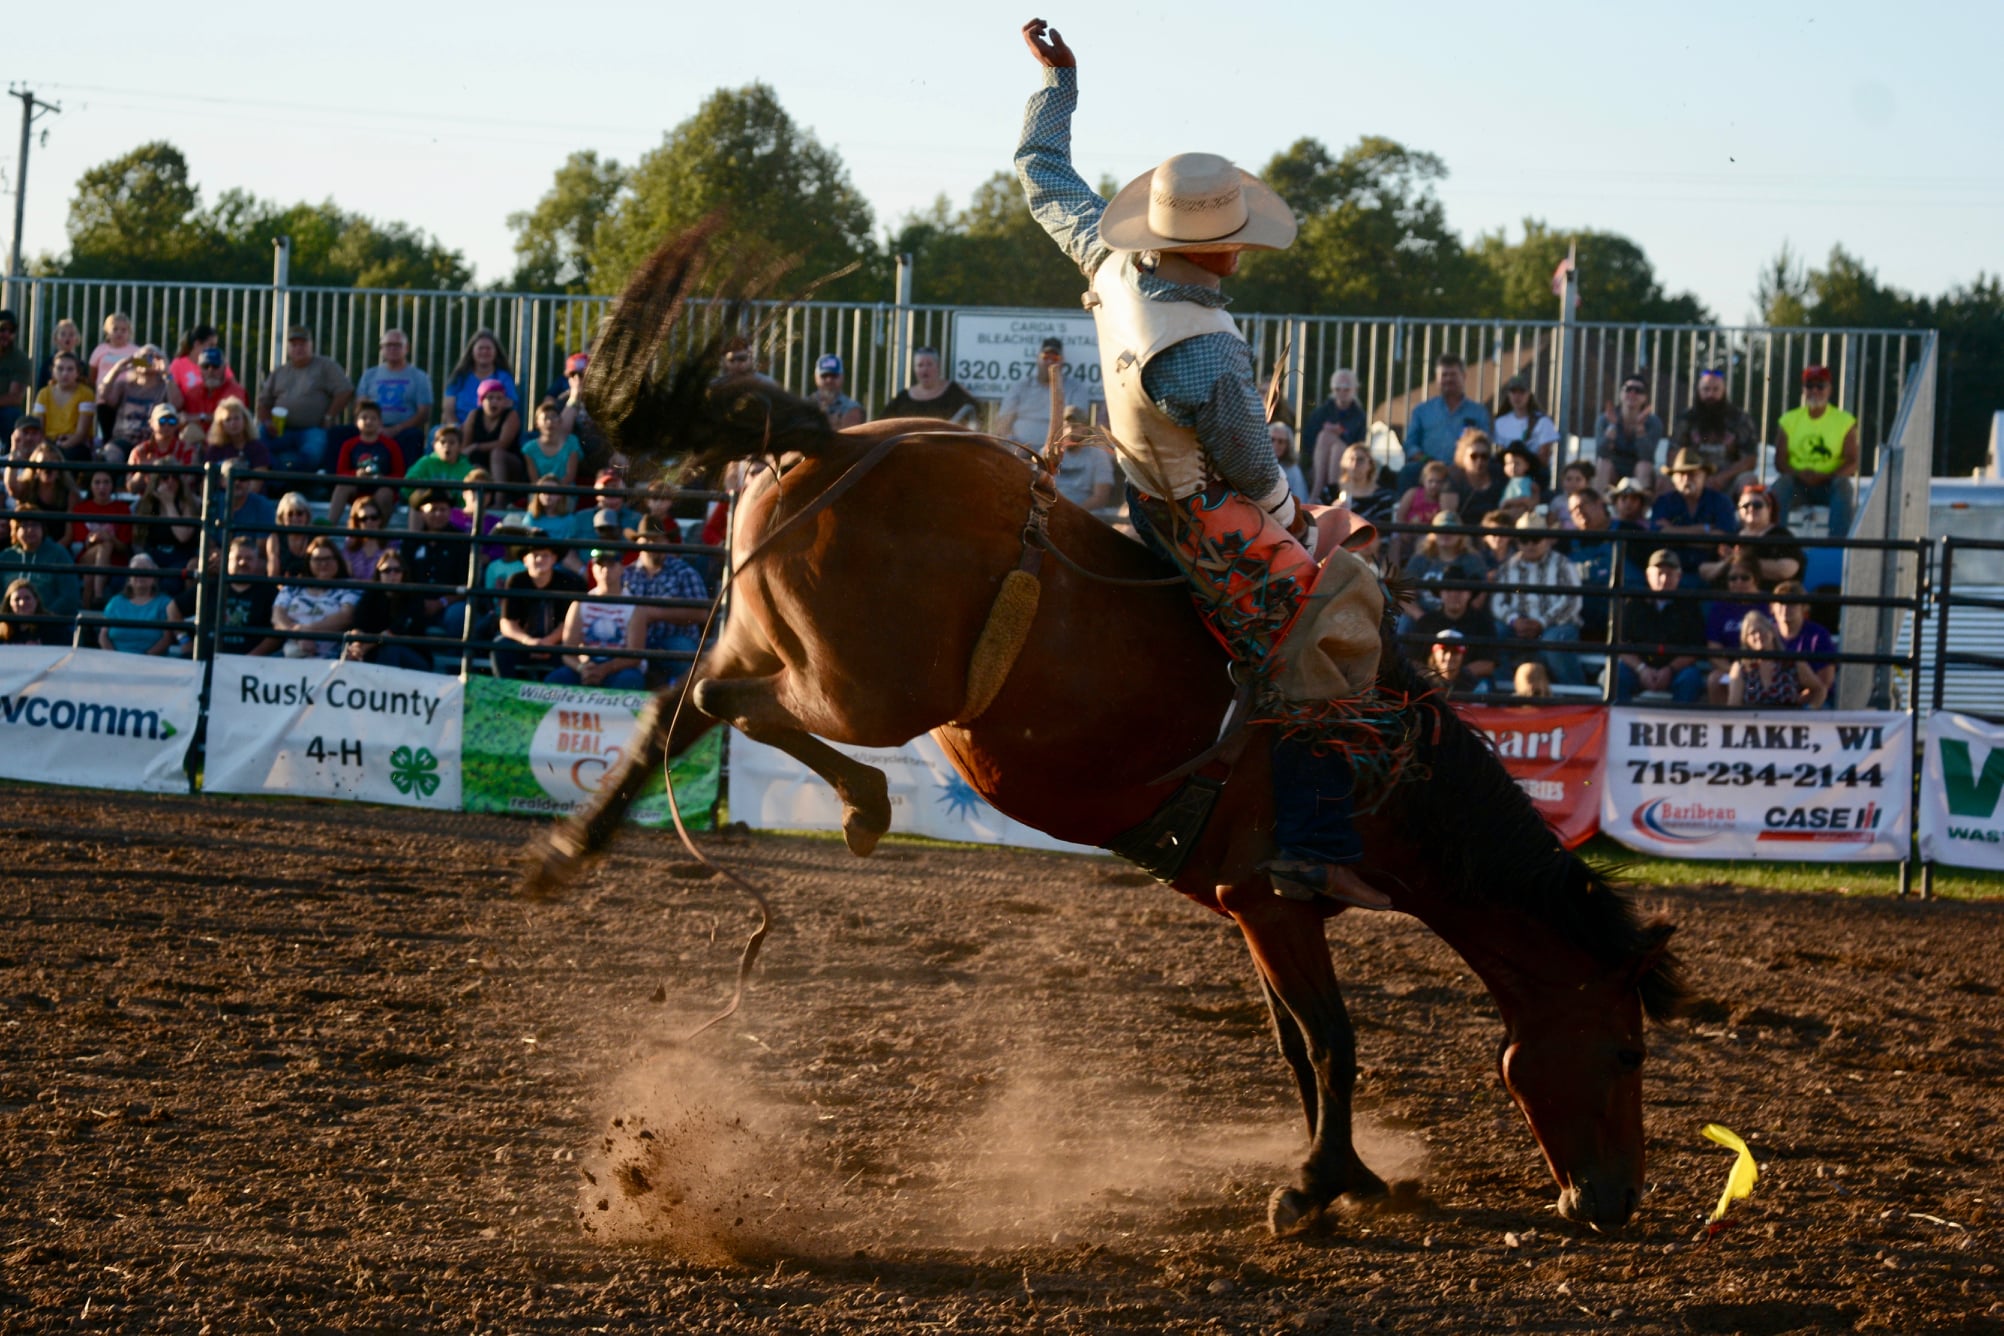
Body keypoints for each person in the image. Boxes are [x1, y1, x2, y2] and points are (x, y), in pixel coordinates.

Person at [1017, 18, 1387, 910]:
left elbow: (1043, 175)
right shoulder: (1209, 353)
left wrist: (1058, 86)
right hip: (1199, 516)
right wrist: (1306, 526)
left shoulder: (1109, 260)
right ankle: (1311, 846)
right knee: (1331, 640)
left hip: (1143, 492)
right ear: (1222, 246)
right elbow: (1258, 480)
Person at [1490, 511, 1584, 688]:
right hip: (1517, 627)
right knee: (1495, 633)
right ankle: (1501, 691)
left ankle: (1577, 694)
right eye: (1524, 539)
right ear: (1517, 542)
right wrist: (1514, 620)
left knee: (1555, 641)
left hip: (1556, 625)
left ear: (1547, 539)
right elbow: (1497, 602)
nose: (1530, 544)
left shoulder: (1563, 564)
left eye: (1536, 538)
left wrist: (1541, 622)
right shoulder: (1508, 567)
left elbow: (1572, 601)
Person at [1772, 365, 1859, 538]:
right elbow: (1780, 461)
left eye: (1820, 386)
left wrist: (1826, 476)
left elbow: (1852, 462)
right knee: (1781, 485)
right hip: (1798, 485)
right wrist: (1801, 474)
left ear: (1829, 389)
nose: (1815, 391)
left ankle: (1836, 548)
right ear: (1803, 390)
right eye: (1809, 386)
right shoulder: (1789, 419)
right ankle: (1773, 542)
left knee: (1843, 486)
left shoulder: (1844, 421)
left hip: (1829, 485)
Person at [624, 514, 710, 688]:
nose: (652, 544)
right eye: (647, 539)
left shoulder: (684, 572)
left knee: (683, 653)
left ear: (666, 542)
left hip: (673, 639)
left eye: (657, 539)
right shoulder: (626, 574)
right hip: (636, 642)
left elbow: (702, 614)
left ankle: (685, 702)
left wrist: (654, 614)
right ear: (638, 542)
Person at [546, 549, 649, 690]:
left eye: (611, 565)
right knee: (554, 681)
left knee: (629, 680)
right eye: (600, 565)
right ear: (593, 568)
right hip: (587, 665)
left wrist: (604, 669)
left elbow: (634, 656)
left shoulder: (634, 607)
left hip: (619, 668)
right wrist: (583, 668)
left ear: (621, 568)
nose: (605, 570)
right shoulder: (580, 604)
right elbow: (568, 650)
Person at [257, 327, 353, 473]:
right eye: (294, 345)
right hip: (281, 430)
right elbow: (263, 402)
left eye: (302, 344)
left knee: (313, 453)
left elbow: (346, 390)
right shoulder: (279, 372)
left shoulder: (325, 365)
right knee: (258, 440)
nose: (298, 349)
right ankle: (276, 477)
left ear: (311, 345)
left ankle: (291, 478)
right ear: (288, 348)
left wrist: (329, 416)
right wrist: (268, 422)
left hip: (314, 429)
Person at [1616, 549, 1707, 702]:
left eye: (1670, 574)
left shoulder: (1690, 605)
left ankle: (1681, 724)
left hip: (1676, 670)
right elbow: (1621, 644)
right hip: (1638, 669)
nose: (1664, 579)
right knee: (1616, 676)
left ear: (1679, 576)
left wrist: (1670, 669)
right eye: (1659, 573)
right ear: (1648, 575)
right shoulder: (1633, 603)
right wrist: (1642, 669)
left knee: (1690, 679)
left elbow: (1695, 648)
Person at [1399, 353, 1492, 492]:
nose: (1448, 379)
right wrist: (1429, 461)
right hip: (1428, 467)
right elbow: (1410, 444)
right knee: (1408, 471)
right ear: (1437, 379)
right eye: (1444, 375)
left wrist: (1461, 464)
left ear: (1464, 376)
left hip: (1464, 470)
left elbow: (1485, 443)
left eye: (1453, 375)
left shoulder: (1478, 412)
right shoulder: (1422, 410)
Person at [496, 533, 586, 678]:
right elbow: (507, 622)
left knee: (572, 654)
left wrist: (548, 642)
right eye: (535, 555)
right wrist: (528, 641)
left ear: (554, 559)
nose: (540, 559)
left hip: (557, 644)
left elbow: (569, 624)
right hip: (524, 642)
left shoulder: (568, 583)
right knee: (500, 647)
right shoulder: (516, 581)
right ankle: (506, 692)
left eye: (545, 555)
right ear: (525, 560)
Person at [1650, 447, 1738, 586]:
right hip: (1671, 576)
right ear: (1673, 478)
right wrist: (1705, 530)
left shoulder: (1721, 501)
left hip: (1712, 575)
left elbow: (1724, 537)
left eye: (1692, 474)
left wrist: (1675, 532)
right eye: (1680, 474)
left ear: (1704, 475)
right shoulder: (1664, 502)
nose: (1686, 479)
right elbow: (1658, 535)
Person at [1671, 367, 1757, 493]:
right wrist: (1696, 478)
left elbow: (1750, 460)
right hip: (1690, 479)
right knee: (1663, 481)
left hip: (1728, 480)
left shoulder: (1740, 419)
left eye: (1716, 389)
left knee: (1749, 481)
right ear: (1698, 391)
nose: (1710, 394)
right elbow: (1673, 454)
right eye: (1706, 389)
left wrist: (1721, 478)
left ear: (1724, 391)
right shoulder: (1686, 419)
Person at [272, 538, 361, 659]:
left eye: (328, 559)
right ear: (309, 562)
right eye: (317, 559)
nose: (323, 564)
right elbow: (277, 616)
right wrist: (298, 637)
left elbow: (346, 616)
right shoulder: (293, 586)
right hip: (291, 652)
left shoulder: (349, 587)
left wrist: (307, 631)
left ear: (338, 560)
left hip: (331, 657)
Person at [346, 551, 434, 672]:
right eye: (387, 571)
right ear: (379, 574)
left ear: (404, 573)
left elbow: (395, 631)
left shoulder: (413, 596)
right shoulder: (370, 595)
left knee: (391, 648)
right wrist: (357, 645)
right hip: (374, 652)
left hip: (413, 657)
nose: (392, 574)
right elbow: (358, 624)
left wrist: (365, 647)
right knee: (350, 651)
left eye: (397, 570)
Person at [399, 488, 471, 633]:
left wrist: (441, 602)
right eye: (432, 509)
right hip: (416, 603)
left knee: (460, 613)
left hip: (450, 605)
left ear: (450, 512)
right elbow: (404, 578)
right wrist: (419, 603)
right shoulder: (411, 543)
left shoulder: (462, 541)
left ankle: (457, 654)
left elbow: (468, 584)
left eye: (443, 509)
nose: (438, 514)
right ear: (422, 512)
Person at [995, 336, 1088, 448]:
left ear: (1062, 361)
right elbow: (1003, 422)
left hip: (1059, 451)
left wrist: (1057, 447)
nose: (1049, 362)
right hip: (1020, 450)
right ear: (1037, 359)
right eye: (1045, 357)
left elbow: (1077, 428)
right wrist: (1013, 445)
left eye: (1055, 359)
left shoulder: (1075, 388)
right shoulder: (1020, 387)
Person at [1702, 482, 1802, 586]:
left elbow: (1785, 570)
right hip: (1730, 599)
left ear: (1769, 509)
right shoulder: (1732, 536)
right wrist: (1732, 560)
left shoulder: (1781, 535)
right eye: (1745, 506)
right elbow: (1704, 570)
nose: (1751, 509)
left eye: (1757, 505)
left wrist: (1738, 559)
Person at [354, 328, 434, 459]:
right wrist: (375, 428)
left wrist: (396, 429)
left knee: (414, 436)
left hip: (404, 430)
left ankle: (408, 478)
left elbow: (423, 414)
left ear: (406, 348)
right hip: (370, 427)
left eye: (397, 345)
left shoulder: (420, 377)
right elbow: (361, 407)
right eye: (388, 345)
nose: (392, 349)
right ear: (381, 349)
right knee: (338, 433)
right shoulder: (369, 375)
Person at [1408, 581, 1500, 688]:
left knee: (1485, 685)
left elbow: (1489, 664)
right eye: (1449, 590)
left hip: (1472, 684)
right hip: (1430, 684)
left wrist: (1460, 674)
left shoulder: (1484, 622)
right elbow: (1412, 660)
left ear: (1469, 594)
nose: (1454, 595)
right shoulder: (1426, 622)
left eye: (1460, 590)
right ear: (1440, 593)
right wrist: (1434, 676)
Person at [1726, 610, 1826, 709]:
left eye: (1762, 629)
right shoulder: (1740, 668)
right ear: (1746, 639)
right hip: (1753, 722)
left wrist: (1809, 712)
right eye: (1752, 632)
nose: (1758, 635)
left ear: (1772, 632)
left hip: (1788, 722)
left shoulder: (1792, 662)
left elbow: (1819, 689)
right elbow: (1734, 705)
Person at [1702, 558, 1768, 704]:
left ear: (1756, 579)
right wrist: (1735, 672)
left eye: (1745, 578)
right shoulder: (1720, 607)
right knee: (1714, 680)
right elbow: (1714, 649)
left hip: (1765, 667)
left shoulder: (1769, 604)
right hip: (1730, 668)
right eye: (1733, 578)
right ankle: (1722, 725)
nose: (1738, 582)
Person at [98, 346, 183, 458]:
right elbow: (103, 395)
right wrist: (116, 370)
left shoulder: (165, 387)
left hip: (153, 442)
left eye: (152, 357)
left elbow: (177, 404)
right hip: (124, 439)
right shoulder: (124, 386)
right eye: (143, 358)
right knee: (111, 454)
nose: (147, 361)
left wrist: (166, 372)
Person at [329, 401, 406, 517]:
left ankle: (379, 532)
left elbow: (400, 474)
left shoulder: (391, 445)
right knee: (341, 487)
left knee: (385, 494)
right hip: (357, 485)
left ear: (380, 422)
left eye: (373, 418)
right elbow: (341, 472)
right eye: (364, 418)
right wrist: (356, 474)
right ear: (356, 422)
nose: (369, 421)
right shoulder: (349, 445)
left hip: (382, 486)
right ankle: (328, 528)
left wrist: (382, 478)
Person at [72, 468, 133, 610]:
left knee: (89, 576)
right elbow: (80, 543)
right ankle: (98, 596)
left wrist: (110, 537)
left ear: (112, 486)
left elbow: (124, 547)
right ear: (91, 486)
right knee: (104, 546)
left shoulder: (123, 509)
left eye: (106, 482)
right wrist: (95, 539)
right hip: (86, 557)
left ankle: (86, 613)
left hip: (114, 561)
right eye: (97, 482)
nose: (102, 487)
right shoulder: (81, 509)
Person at [1403, 511, 1486, 614]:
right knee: (1404, 622)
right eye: (1441, 530)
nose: (1446, 534)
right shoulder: (1419, 559)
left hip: (1461, 616)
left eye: (1452, 530)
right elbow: (1405, 595)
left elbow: (1479, 596)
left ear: (1460, 535)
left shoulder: (1473, 560)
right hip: (1424, 615)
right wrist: (1422, 618)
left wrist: (1460, 617)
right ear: (1433, 533)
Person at [99, 553, 181, 655]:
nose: (141, 574)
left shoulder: (165, 603)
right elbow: (103, 636)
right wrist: (114, 657)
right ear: (129, 578)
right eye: (136, 570)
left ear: (154, 577)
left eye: (145, 570)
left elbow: (167, 638)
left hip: (152, 663)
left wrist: (143, 659)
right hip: (115, 661)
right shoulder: (115, 602)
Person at [0, 516, 81, 619]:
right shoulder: (5, 557)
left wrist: (43, 616)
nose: (30, 530)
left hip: (50, 624)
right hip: (9, 624)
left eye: (35, 525)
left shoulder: (59, 554)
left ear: (43, 529)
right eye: (24, 525)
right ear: (15, 530)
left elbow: (69, 596)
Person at [131, 471, 200, 590]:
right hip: (153, 556)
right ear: (156, 481)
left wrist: (169, 503)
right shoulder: (145, 505)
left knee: (169, 583)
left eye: (175, 477)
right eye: (165, 477)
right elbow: (137, 540)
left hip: (180, 558)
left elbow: (183, 536)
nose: (170, 481)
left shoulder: (187, 505)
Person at [1770, 580, 1837, 703]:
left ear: (1804, 607)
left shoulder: (1818, 635)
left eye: (1792, 603)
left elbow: (1825, 681)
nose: (1785, 608)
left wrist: (1794, 702)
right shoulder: (1765, 634)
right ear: (1772, 607)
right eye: (1780, 603)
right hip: (1774, 702)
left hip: (1814, 701)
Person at [1594, 373, 1664, 490]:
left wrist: (1640, 429)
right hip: (1613, 470)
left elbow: (1647, 456)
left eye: (1638, 390)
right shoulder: (1605, 419)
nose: (1632, 394)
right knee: (1603, 463)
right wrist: (1611, 428)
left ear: (1645, 397)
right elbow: (1601, 453)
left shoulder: (1653, 422)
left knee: (1644, 465)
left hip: (1639, 471)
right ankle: (1599, 504)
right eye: (1628, 389)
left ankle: (1643, 505)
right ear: (1621, 394)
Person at [1300, 369, 1367, 489]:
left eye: (1346, 389)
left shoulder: (1359, 415)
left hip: (1348, 461)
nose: (1342, 392)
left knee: (1335, 446)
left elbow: (1359, 446)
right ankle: (1330, 490)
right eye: (1338, 389)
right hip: (1319, 462)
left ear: (1355, 390)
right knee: (1325, 437)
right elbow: (1308, 441)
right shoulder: (1321, 412)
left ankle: (1320, 489)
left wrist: (1342, 434)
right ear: (1332, 389)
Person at [215, 536, 281, 657]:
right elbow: (173, 609)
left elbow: (278, 631)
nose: (243, 562)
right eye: (238, 558)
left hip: (255, 665)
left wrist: (253, 656)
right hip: (210, 660)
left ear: (257, 561)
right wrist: (185, 642)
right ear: (228, 560)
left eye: (249, 559)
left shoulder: (269, 591)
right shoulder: (213, 585)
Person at [880, 347, 980, 423]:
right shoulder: (903, 398)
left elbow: (976, 414)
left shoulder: (954, 391)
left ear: (938, 366)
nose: (925, 369)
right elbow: (884, 423)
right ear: (914, 369)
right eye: (920, 365)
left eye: (929, 364)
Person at [441, 329, 518, 425]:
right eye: (480, 348)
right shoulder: (459, 377)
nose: (484, 351)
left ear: (496, 352)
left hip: (490, 429)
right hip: (459, 428)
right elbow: (448, 410)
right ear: (472, 352)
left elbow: (509, 404)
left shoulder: (504, 378)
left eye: (488, 348)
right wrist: (456, 429)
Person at [1492, 373, 1560, 478]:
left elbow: (1544, 457)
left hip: (1534, 474)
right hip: (1508, 474)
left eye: (1522, 392)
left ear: (1529, 394)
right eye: (1513, 392)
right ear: (1508, 394)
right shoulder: (1500, 422)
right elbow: (1500, 452)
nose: (1517, 397)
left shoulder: (1543, 422)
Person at [33, 353, 98, 461]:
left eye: (70, 369)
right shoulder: (43, 394)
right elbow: (39, 428)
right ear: (52, 371)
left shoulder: (86, 393)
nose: (64, 373)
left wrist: (58, 450)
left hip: (75, 445)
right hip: (48, 443)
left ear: (78, 372)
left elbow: (81, 433)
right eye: (60, 369)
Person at [460, 377, 523, 482]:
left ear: (504, 401)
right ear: (481, 401)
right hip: (480, 461)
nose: (494, 402)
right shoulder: (474, 415)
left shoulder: (511, 415)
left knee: (496, 454)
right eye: (490, 398)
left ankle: (499, 495)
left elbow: (503, 444)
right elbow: (465, 447)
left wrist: (476, 446)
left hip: (508, 462)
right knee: (469, 461)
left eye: (499, 398)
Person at [124, 403, 197, 492]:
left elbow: (189, 483)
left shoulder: (187, 449)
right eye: (162, 421)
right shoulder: (140, 451)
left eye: (172, 421)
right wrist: (142, 471)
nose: (167, 425)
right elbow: (131, 488)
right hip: (147, 500)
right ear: (151, 423)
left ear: (177, 424)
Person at [202, 397, 274, 484]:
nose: (233, 423)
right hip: (220, 495)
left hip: (251, 496)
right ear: (221, 425)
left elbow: (256, 483)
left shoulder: (258, 448)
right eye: (228, 420)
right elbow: (206, 484)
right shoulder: (214, 450)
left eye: (236, 418)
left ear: (245, 421)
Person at [520, 398, 584, 490]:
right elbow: (534, 480)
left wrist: (555, 491)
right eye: (545, 418)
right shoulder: (529, 449)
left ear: (560, 421)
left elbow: (570, 476)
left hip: (565, 491)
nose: (549, 422)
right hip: (541, 492)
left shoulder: (572, 442)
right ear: (537, 423)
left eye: (554, 417)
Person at [179, 347, 250, 429]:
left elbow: (232, 419)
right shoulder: (192, 393)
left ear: (224, 368)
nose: (210, 370)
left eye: (215, 366)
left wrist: (200, 418)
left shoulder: (236, 392)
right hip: (199, 439)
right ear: (199, 369)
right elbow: (183, 418)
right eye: (205, 366)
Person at [1328, 441, 1394, 526]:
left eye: (1360, 460)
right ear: (1343, 463)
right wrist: (1330, 513)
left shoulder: (1382, 497)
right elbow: (1315, 524)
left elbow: (1384, 533)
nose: (1355, 464)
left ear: (1370, 464)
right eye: (1351, 459)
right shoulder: (1329, 493)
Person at [166, 325, 232, 400]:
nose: (214, 349)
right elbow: (172, 395)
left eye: (215, 346)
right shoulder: (178, 365)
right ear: (197, 344)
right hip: (188, 410)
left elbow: (233, 388)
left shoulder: (219, 362)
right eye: (211, 345)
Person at [1452, 427, 1504, 519]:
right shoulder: (1454, 480)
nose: (1479, 461)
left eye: (1484, 456)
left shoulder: (1499, 476)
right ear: (1462, 456)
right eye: (1474, 456)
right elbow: (1450, 517)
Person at [265, 491, 317, 583]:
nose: (295, 518)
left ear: (307, 515)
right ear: (282, 518)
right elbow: (273, 575)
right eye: (290, 514)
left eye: (299, 513)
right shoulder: (275, 538)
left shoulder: (316, 537)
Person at [405, 424, 473, 488]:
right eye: (442, 442)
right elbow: (406, 487)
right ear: (434, 445)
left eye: (452, 442)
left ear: (460, 446)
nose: (447, 446)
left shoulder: (467, 470)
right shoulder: (425, 463)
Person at [809, 354, 866, 429]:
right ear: (816, 377)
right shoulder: (804, 406)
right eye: (824, 375)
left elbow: (852, 437)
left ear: (842, 377)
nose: (829, 380)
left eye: (834, 375)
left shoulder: (853, 409)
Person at [0, 310, 33, 437]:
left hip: (3, 410)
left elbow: (15, 398)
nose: (6, 334)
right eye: (2, 329)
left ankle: (9, 453)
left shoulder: (20, 359)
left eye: (11, 331)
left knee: (11, 414)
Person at [341, 496, 390, 582]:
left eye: (374, 517)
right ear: (357, 523)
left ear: (380, 520)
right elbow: (346, 576)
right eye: (363, 519)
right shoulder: (350, 546)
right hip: (355, 593)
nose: (369, 522)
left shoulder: (391, 544)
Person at [87, 313, 139, 391]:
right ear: (107, 332)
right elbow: (93, 373)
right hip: (104, 394)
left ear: (129, 333)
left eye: (123, 330)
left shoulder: (136, 351)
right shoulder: (100, 349)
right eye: (115, 329)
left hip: (128, 395)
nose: (119, 333)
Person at [0, 577, 54, 646]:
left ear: (36, 600)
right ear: (9, 603)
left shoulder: (52, 627)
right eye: (17, 599)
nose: (22, 603)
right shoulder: (2, 632)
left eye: (27, 598)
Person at [37, 318, 85, 391]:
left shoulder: (81, 365)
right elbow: (41, 388)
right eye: (63, 334)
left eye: (71, 334)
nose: (67, 338)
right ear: (56, 338)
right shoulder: (48, 364)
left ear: (77, 339)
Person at [1271, 421, 1308, 500]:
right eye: (1272, 439)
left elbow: (1300, 500)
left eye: (1280, 441)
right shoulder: (1258, 466)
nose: (1275, 444)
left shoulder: (1293, 471)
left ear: (1287, 445)